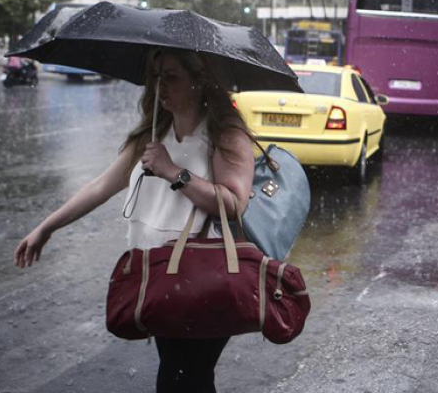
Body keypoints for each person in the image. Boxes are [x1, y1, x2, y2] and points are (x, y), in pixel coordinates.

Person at [14, 48, 257, 393]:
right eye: (155, 76)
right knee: (185, 378)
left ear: (199, 80)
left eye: (171, 76)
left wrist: (173, 171)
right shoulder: (152, 135)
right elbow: (101, 186)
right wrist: (47, 227)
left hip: (206, 279)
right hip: (159, 275)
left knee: (180, 377)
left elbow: (233, 203)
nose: (160, 86)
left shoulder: (225, 135)